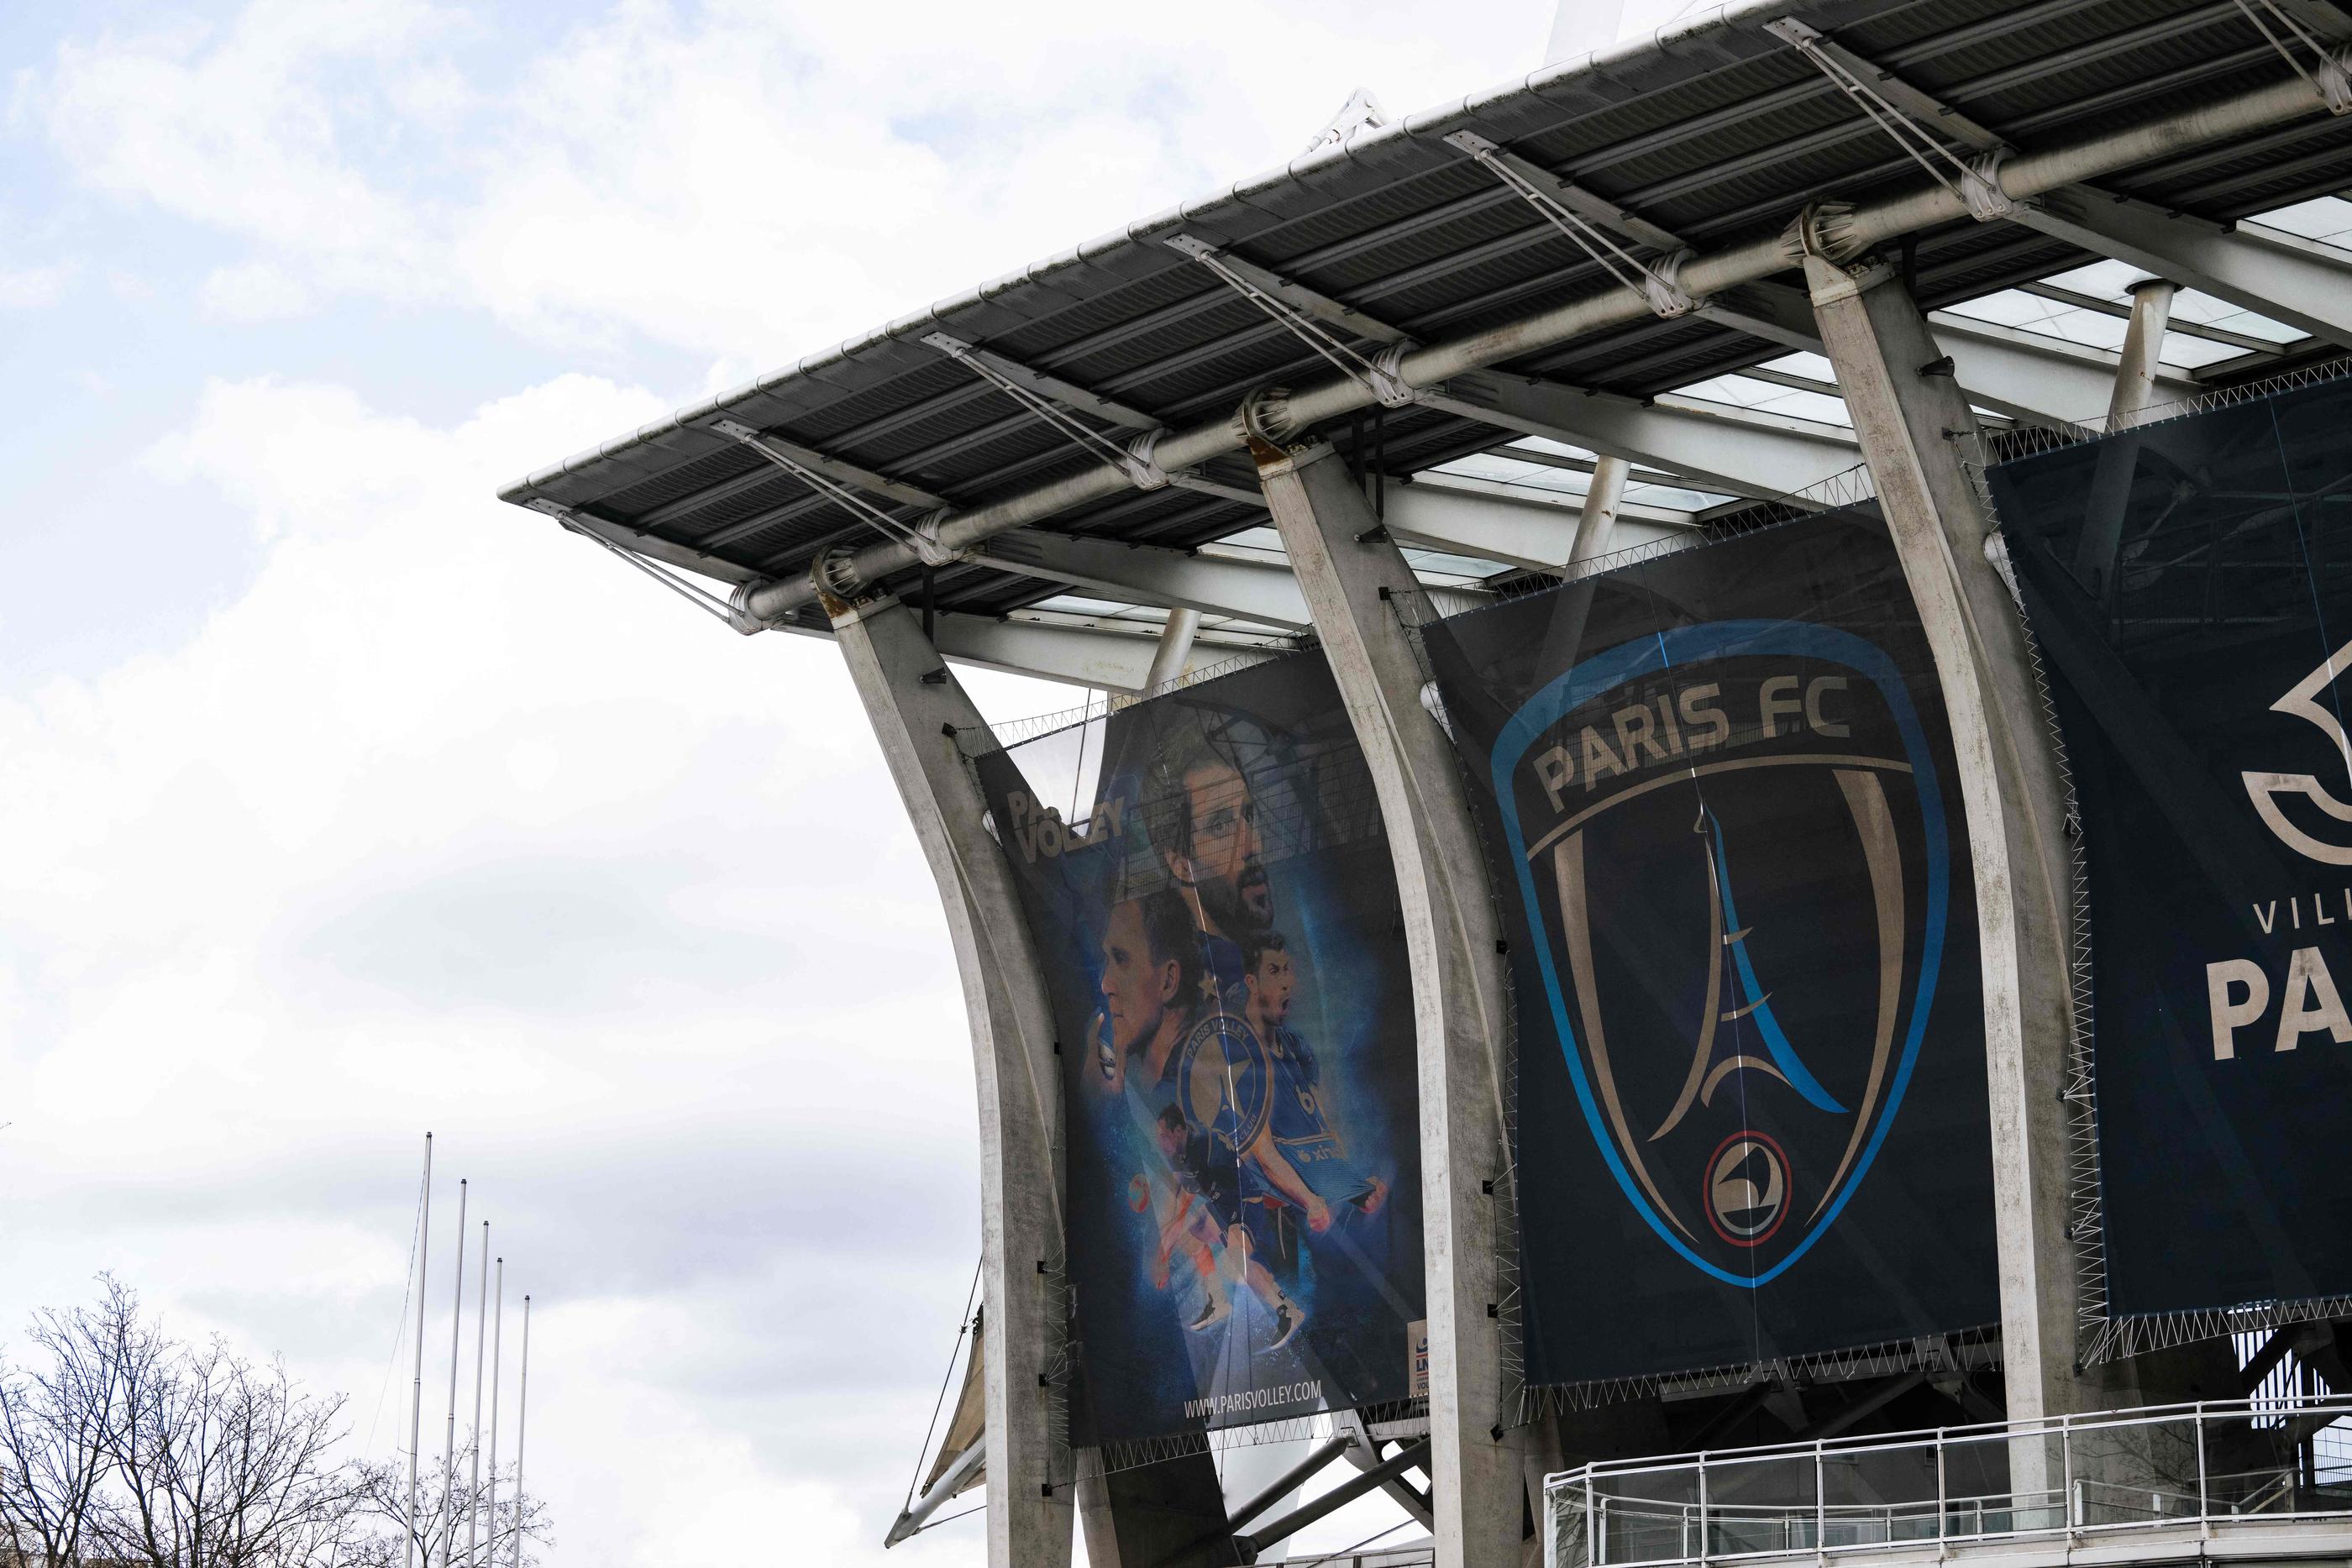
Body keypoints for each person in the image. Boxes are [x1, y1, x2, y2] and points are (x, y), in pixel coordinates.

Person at [1236, 931, 1388, 1272]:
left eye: (1287, 969)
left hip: (1302, 1208)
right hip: (1261, 1213)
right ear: (1252, 982)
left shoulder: (1296, 1046)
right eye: (1274, 971)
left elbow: (1323, 1131)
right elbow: (1264, 1154)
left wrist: (1355, 1187)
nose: (1287, 982)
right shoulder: (1238, 1054)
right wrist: (1313, 1200)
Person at [1149, 1104, 1305, 1347]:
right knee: (1190, 1238)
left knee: (1237, 1260)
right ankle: (1218, 1302)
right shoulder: (1183, 1147)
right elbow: (1178, 1195)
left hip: (1244, 1200)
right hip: (1224, 1202)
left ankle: (1286, 1310)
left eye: (1163, 1136)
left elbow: (1182, 1208)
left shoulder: (1199, 1147)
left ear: (1178, 1131)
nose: (1160, 1141)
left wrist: (1162, 1256)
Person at [1091, 889, 1204, 1096]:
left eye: (1121, 959)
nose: (1105, 985)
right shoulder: (1142, 1089)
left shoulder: (1198, 1090)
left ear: (1169, 981)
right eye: (1106, 960)